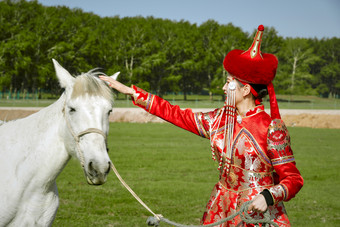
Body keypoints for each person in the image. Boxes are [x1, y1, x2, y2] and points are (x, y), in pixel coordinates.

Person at [100, 25, 303, 227]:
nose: (224, 88)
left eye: (229, 83)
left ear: (246, 90)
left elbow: (293, 179)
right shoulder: (217, 119)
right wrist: (133, 93)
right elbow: (175, 114)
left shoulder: (271, 128)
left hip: (256, 213)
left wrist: (267, 196)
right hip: (220, 209)